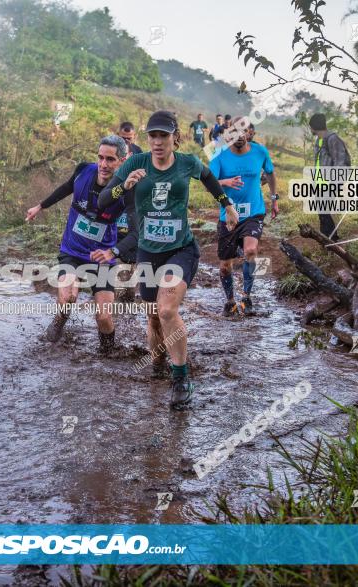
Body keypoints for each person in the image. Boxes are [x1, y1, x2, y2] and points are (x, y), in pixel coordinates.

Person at [98, 110, 241, 409]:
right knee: (152, 315)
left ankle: (181, 377)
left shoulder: (187, 162)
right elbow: (103, 200)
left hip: (182, 249)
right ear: (147, 138)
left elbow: (209, 178)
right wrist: (123, 186)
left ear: (175, 137)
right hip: (148, 252)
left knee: (165, 310)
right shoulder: (136, 163)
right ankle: (159, 362)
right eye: (153, 135)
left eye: (164, 135)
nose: (158, 141)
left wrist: (226, 206)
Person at [25, 135, 133, 350]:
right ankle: (58, 324)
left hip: (102, 258)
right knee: (67, 297)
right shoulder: (84, 170)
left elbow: (133, 228)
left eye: (110, 159)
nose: (103, 164)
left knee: (103, 317)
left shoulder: (126, 189)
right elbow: (66, 188)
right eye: (100, 157)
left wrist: (118, 251)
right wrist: (40, 206)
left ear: (122, 161)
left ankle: (108, 351)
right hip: (72, 251)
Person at [209, 116, 279, 317]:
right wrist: (226, 182)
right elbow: (209, 182)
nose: (240, 136)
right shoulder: (219, 154)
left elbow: (271, 173)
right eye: (235, 132)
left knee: (250, 250)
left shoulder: (260, 151)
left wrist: (274, 199)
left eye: (244, 131)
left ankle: (246, 296)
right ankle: (230, 300)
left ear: (250, 133)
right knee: (225, 266)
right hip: (228, 214)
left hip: (254, 212)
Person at [309, 113, 350, 241]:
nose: (310, 129)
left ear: (314, 126)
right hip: (319, 182)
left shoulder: (332, 139)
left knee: (325, 211)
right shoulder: (319, 140)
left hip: (329, 183)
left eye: (311, 126)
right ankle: (325, 240)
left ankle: (333, 241)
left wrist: (336, 183)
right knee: (322, 212)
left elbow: (340, 161)